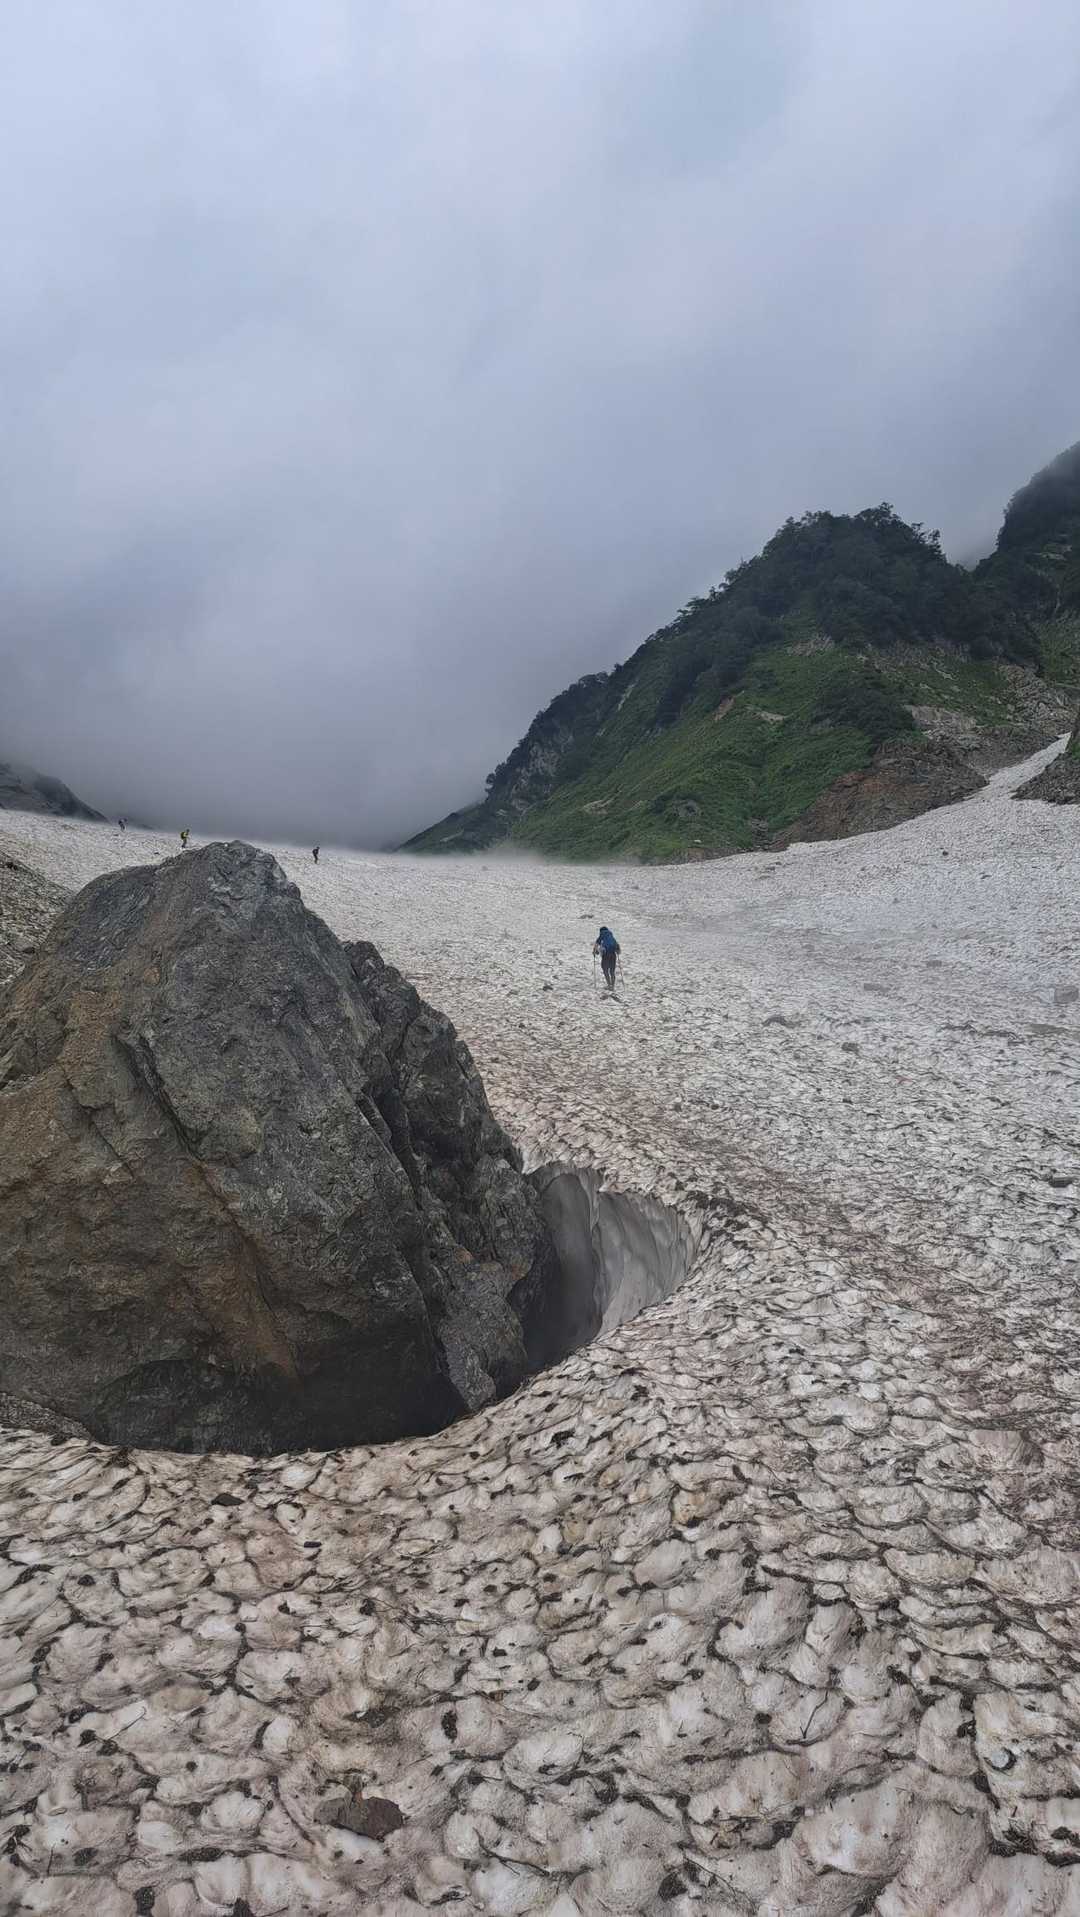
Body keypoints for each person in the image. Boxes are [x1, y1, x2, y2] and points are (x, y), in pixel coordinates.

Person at [593, 925, 620, 993]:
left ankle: (609, 984)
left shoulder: (601, 935)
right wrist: (618, 951)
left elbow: (596, 946)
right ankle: (612, 986)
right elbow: (617, 946)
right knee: (612, 971)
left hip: (606, 955)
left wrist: (595, 952)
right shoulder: (611, 936)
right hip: (613, 955)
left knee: (605, 969)